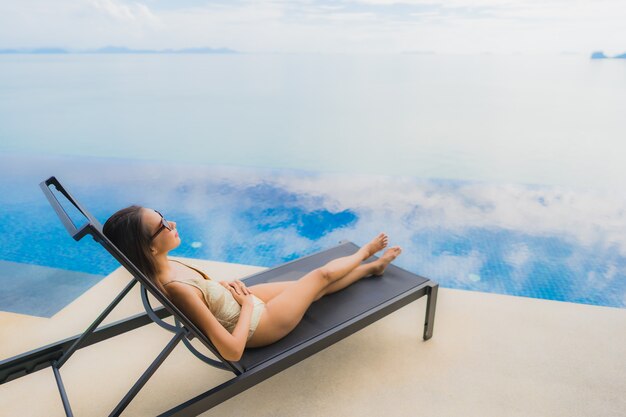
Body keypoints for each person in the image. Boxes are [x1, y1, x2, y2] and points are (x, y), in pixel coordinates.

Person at [103, 206, 402, 361]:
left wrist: (220, 288)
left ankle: (370, 269)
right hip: (261, 325)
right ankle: (365, 253)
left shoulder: (165, 265)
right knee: (320, 276)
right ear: (149, 248)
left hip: (241, 301)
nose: (173, 224)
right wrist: (246, 305)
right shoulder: (176, 289)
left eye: (164, 218)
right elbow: (232, 351)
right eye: (162, 226)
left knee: (315, 287)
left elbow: (203, 291)